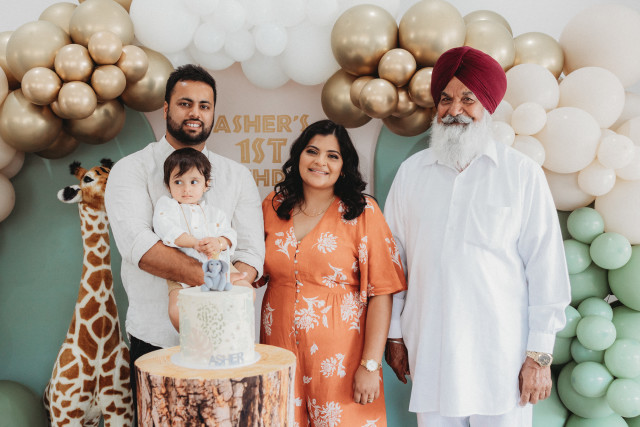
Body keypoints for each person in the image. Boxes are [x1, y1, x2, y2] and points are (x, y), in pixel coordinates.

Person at [383, 46, 571, 427]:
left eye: (468, 99)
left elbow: (546, 269)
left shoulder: (521, 174)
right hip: (431, 353)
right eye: (445, 99)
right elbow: (391, 263)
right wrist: (395, 335)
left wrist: (539, 356)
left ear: (488, 105)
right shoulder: (411, 174)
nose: (455, 110)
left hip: (503, 361)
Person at [105, 64, 264, 417]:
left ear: (213, 113)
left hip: (227, 341)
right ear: (166, 109)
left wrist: (230, 291)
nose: (195, 113)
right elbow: (140, 248)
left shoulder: (236, 176)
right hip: (157, 339)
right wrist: (219, 282)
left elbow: (251, 251)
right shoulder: (131, 169)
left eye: (204, 106)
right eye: (185, 103)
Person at [257, 119, 406, 426]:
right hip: (280, 355)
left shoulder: (362, 212)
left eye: (332, 156)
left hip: (341, 362)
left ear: (344, 166)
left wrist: (370, 365)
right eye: (312, 151)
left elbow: (381, 293)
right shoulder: (272, 206)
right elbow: (249, 269)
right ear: (299, 155)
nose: (320, 162)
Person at [153, 147, 237, 331]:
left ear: (206, 184)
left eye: (193, 182)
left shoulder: (215, 213)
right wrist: (194, 243)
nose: (186, 189)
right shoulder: (168, 206)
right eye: (178, 182)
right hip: (180, 268)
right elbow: (165, 228)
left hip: (219, 266)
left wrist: (219, 242)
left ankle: (228, 331)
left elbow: (230, 234)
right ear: (168, 185)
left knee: (246, 290)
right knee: (176, 310)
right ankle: (194, 339)